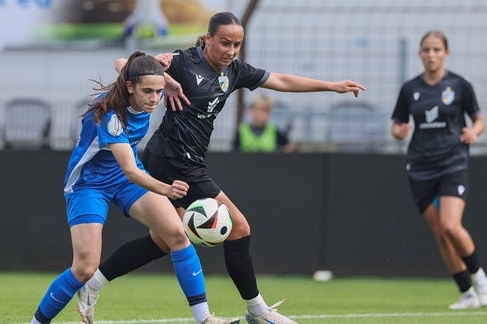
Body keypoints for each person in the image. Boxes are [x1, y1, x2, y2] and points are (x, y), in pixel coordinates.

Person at [79, 12, 365, 324]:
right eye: (224, 43)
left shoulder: (235, 71)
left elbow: (280, 80)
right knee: (239, 228)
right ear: (208, 38)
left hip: (187, 160)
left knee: (164, 240)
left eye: (237, 44)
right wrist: (169, 80)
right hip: (174, 161)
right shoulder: (183, 61)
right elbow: (124, 64)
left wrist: (331, 86)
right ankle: (257, 310)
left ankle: (94, 284)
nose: (230, 50)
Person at [30, 51, 239, 324]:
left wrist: (168, 81)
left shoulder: (145, 86)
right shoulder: (111, 116)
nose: (155, 99)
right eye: (148, 92)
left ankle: (204, 318)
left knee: (177, 233)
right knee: (84, 268)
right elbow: (130, 169)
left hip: (123, 178)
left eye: (159, 91)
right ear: (130, 86)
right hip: (89, 184)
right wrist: (166, 190)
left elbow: (121, 63)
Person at [391, 30, 487, 309]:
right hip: (419, 166)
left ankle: (480, 278)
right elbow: (397, 125)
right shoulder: (410, 89)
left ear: (446, 53)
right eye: (426, 50)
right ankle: (467, 294)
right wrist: (400, 131)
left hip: (452, 162)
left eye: (436, 50)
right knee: (440, 233)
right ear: (420, 54)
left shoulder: (459, 85)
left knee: (450, 225)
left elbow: (479, 118)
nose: (431, 55)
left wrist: (475, 132)